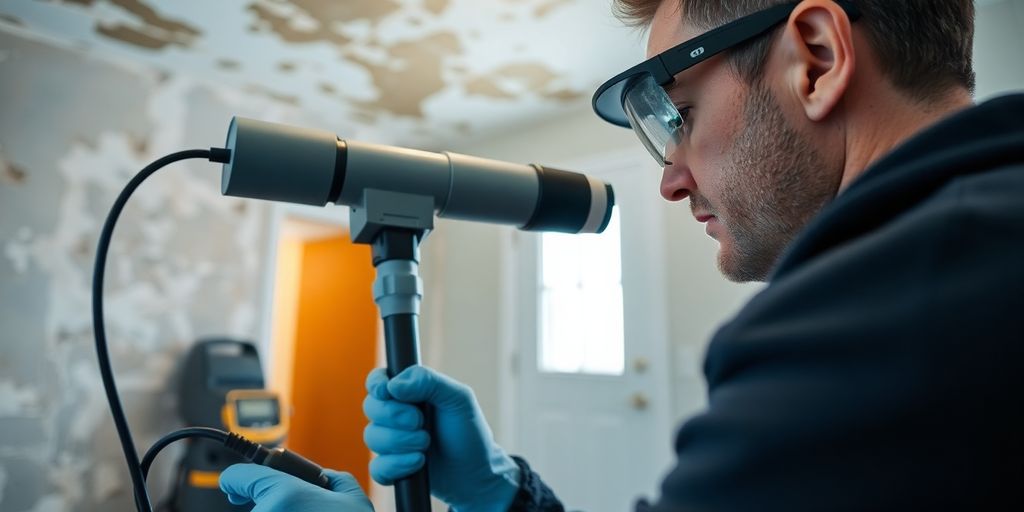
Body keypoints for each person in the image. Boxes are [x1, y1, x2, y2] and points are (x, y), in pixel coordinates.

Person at [219, 0, 1024, 510]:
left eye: (678, 116)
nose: (670, 181)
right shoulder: (978, 245)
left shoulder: (875, 324)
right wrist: (504, 494)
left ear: (815, 58)